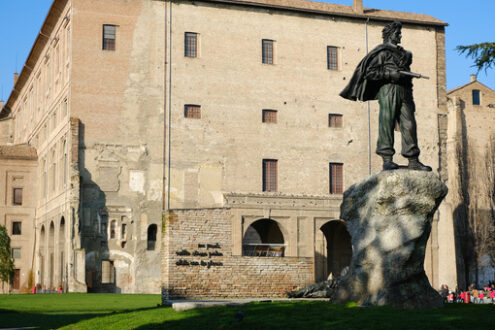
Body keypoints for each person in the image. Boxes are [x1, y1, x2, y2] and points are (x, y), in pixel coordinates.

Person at [340, 21, 431, 171]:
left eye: (400, 33)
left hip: (405, 91)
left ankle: (413, 159)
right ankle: (387, 159)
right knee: (386, 122)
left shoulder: (405, 54)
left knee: (409, 124)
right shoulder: (382, 53)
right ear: (390, 35)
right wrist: (390, 74)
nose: (400, 35)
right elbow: (369, 73)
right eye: (397, 33)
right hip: (388, 90)